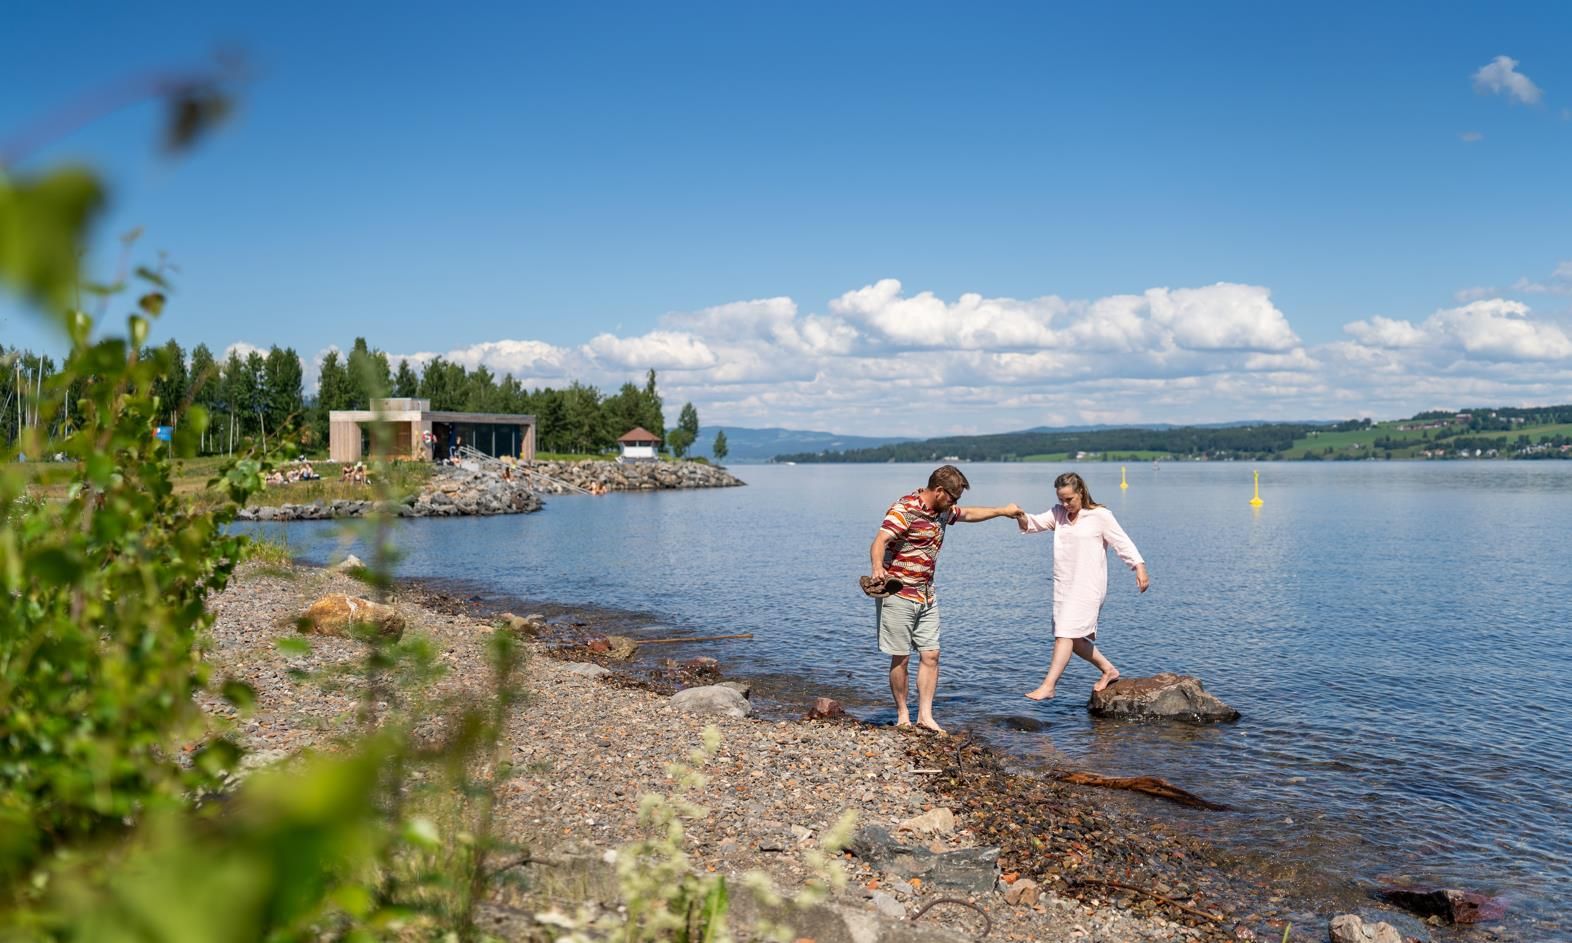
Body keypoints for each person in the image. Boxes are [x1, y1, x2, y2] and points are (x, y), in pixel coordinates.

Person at [870, 465, 1021, 734]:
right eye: (953, 498)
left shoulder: (942, 511)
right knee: (901, 658)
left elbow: (970, 514)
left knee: (931, 655)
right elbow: (880, 541)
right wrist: (877, 569)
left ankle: (925, 716)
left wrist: (1002, 511)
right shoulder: (904, 509)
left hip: (927, 594)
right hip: (898, 593)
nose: (955, 504)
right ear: (939, 491)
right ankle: (903, 714)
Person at [1016, 471, 1149, 700]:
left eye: (1069, 499)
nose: (1065, 504)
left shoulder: (1100, 516)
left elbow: (1122, 542)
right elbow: (1033, 523)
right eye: (1061, 499)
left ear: (1081, 492)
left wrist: (1139, 567)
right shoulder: (1058, 514)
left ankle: (1049, 685)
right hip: (1064, 586)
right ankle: (1109, 670)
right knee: (1075, 640)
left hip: (1089, 586)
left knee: (1064, 635)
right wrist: (1017, 514)